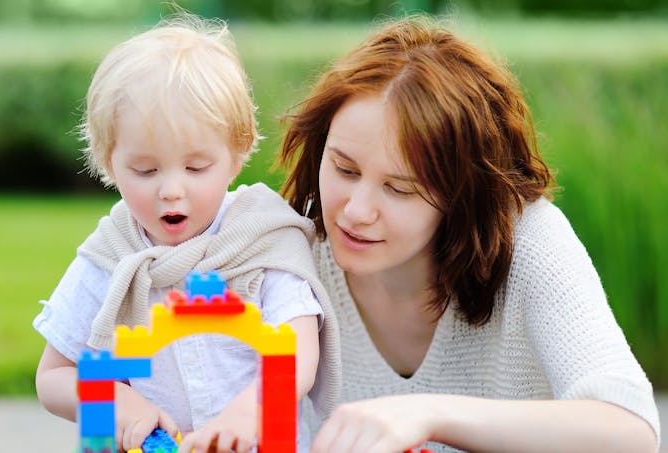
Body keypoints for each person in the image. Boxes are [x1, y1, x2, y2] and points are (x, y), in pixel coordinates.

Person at [278, 15, 660, 453]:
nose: (357, 211)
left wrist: (428, 414)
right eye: (345, 168)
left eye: (399, 188)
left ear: (462, 194)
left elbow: (631, 429)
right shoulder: (294, 243)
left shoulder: (530, 241)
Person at [33, 14, 340, 453]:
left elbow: (297, 356)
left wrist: (249, 410)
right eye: (145, 170)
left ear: (236, 156)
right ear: (108, 162)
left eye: (197, 168)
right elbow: (53, 377)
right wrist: (117, 402)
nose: (171, 191)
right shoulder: (111, 258)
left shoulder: (262, 239)